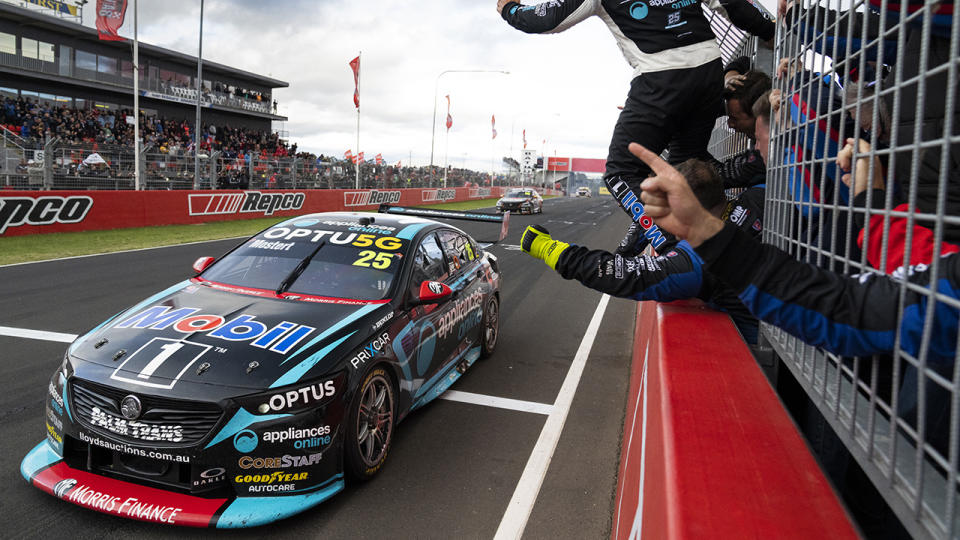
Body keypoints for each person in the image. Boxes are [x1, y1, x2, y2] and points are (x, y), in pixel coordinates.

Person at [633, 141, 959, 363]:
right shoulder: (762, 195)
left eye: (762, 139)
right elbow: (919, 265)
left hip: (809, 346)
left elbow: (849, 309)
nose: (759, 148)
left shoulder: (762, 197)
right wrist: (870, 202)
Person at [496, 0, 774, 250]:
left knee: (620, 173)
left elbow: (546, 20)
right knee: (683, 166)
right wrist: (771, 32)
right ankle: (687, 226)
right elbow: (735, 6)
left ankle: (668, 247)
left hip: (660, 77)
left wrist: (509, 9)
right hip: (709, 71)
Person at [521, 158, 765, 342]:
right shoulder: (762, 195)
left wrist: (547, 248)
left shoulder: (702, 257)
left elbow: (626, 275)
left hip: (767, 364)